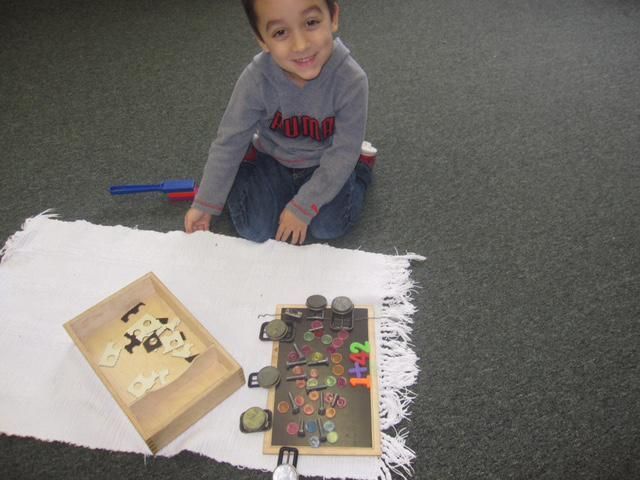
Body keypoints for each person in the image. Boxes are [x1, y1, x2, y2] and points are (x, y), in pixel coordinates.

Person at [184, 0, 373, 245]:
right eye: (280, 32)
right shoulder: (255, 79)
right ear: (262, 39)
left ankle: (363, 170)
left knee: (329, 227)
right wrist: (206, 202)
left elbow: (343, 153)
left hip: (327, 162)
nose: (301, 45)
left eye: (311, 23)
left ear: (333, 16)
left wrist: (303, 206)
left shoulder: (351, 79)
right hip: (272, 159)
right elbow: (229, 142)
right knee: (254, 229)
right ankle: (246, 164)